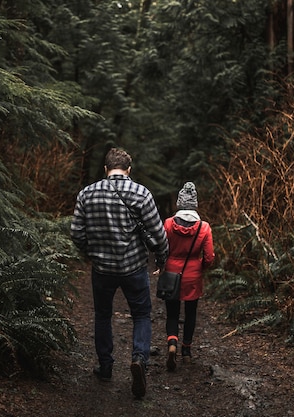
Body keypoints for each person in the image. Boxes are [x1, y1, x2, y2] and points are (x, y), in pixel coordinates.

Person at [70, 147, 169, 399]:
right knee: (141, 314)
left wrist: (91, 253)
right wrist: (161, 256)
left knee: (103, 315)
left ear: (105, 169)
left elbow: (76, 234)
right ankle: (139, 360)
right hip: (134, 267)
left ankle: (105, 367)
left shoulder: (87, 193)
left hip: (102, 269)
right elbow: (158, 233)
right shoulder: (141, 193)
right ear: (129, 169)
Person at [161, 182, 215, 371]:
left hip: (171, 273)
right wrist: (200, 267)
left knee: (172, 313)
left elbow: (162, 248)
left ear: (179, 203)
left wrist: (162, 265)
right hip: (193, 274)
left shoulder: (168, 223)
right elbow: (209, 257)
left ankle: (172, 344)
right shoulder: (204, 227)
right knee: (191, 313)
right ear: (195, 204)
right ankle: (186, 351)